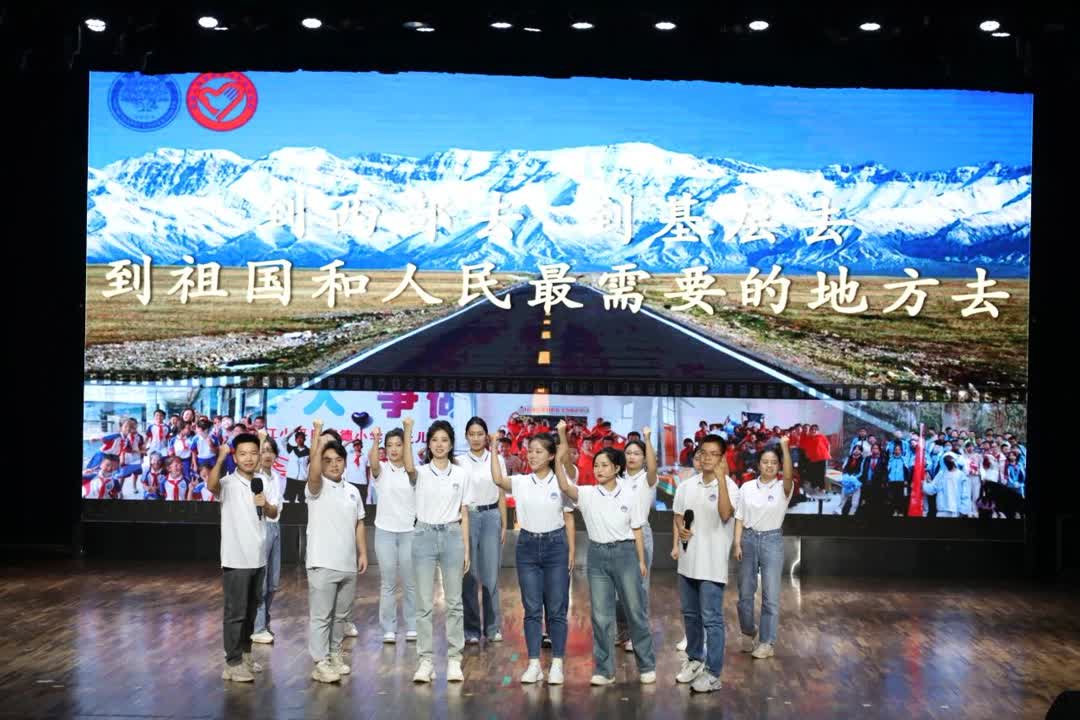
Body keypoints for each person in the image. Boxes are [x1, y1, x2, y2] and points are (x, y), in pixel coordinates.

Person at [554, 421, 656, 686]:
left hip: (626, 554)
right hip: (597, 556)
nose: (599, 470)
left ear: (617, 468)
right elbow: (565, 486)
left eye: (604, 465)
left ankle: (646, 665)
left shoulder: (630, 494)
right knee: (600, 616)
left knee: (635, 611)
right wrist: (560, 451)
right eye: (596, 465)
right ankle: (604, 670)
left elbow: (637, 529)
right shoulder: (587, 493)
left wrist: (641, 561)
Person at [489, 430, 574, 684]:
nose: (532, 455)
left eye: (539, 451)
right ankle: (534, 663)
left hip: (556, 546)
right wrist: (493, 446)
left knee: (556, 609)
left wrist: (571, 550)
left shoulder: (561, 481)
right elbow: (497, 478)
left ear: (551, 456)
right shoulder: (522, 481)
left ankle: (557, 663)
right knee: (532, 609)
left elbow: (569, 516)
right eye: (530, 451)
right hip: (526, 547)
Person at [207, 433, 276, 682]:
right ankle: (232, 662)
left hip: (258, 557)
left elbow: (274, 511)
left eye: (253, 453)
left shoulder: (261, 482)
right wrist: (221, 457)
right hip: (236, 559)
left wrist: (265, 504)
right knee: (235, 613)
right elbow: (211, 486)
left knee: (250, 611)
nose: (249, 458)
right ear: (235, 457)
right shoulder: (228, 483)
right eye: (243, 454)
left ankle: (245, 654)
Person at [673, 434, 738, 693]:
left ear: (722, 458)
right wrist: (681, 529)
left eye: (714, 454)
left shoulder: (730, 486)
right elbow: (678, 515)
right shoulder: (686, 486)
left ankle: (713, 673)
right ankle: (695, 660)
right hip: (688, 562)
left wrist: (721, 480)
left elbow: (725, 514)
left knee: (712, 619)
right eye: (704, 452)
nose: (707, 457)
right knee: (690, 616)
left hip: (712, 565)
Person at [304, 421, 368, 683]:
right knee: (321, 616)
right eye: (327, 460)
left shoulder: (353, 491)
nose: (333, 464)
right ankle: (320, 663)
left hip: (347, 564)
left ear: (345, 462)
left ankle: (334, 655)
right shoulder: (316, 487)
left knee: (341, 616)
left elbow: (359, 523)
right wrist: (317, 439)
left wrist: (362, 553)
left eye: (338, 460)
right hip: (322, 562)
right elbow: (313, 472)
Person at [407, 418, 470, 684]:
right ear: (428, 444)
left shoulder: (461, 474)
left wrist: (466, 548)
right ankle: (426, 661)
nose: (439, 444)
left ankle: (455, 659)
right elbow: (408, 467)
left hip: (452, 535)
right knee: (423, 603)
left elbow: (464, 511)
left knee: (454, 602)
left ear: (451, 444)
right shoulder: (421, 472)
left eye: (444, 440)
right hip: (424, 535)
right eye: (434, 440)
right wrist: (408, 430)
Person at [735, 436, 794, 660]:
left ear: (779, 466)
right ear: (758, 464)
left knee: (770, 596)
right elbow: (739, 516)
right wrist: (737, 543)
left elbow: (788, 475)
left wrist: (785, 448)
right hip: (748, 539)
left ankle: (767, 642)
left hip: (772, 541)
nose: (769, 466)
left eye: (774, 462)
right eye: (765, 462)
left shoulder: (783, 487)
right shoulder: (747, 487)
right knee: (744, 594)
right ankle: (748, 631)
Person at [457, 417, 507, 646]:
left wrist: (504, 524)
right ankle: (471, 630)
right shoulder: (458, 462)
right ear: (466, 436)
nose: (476, 438)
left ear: (486, 436)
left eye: (480, 434)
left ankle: (493, 628)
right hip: (467, 517)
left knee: (491, 576)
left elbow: (501, 493)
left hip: (491, 516)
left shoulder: (497, 459)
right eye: (472, 434)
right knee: (469, 575)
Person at [368, 426, 418, 644]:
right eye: (389, 445)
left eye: (398, 445)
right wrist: (375, 440)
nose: (394, 449)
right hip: (385, 532)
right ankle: (389, 627)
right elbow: (373, 463)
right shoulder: (381, 470)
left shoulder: (413, 471)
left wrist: (408, 431)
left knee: (410, 582)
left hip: (409, 532)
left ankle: (413, 625)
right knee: (387, 582)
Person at [615, 428, 659, 653]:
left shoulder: (648, 479)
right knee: (618, 589)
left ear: (644, 458)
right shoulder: (617, 479)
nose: (631, 457)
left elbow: (652, 466)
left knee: (640, 587)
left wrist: (648, 439)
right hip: (617, 535)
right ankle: (622, 632)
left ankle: (638, 633)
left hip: (641, 534)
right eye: (628, 453)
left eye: (637, 453)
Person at [252, 433, 285, 645]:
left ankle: (263, 620)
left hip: (275, 526)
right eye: (263, 451)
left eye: (270, 451)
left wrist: (271, 509)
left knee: (273, 583)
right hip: (260, 526)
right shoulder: (255, 476)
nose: (267, 455)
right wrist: (260, 438)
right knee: (261, 583)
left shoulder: (277, 477)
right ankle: (258, 628)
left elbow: (276, 508)